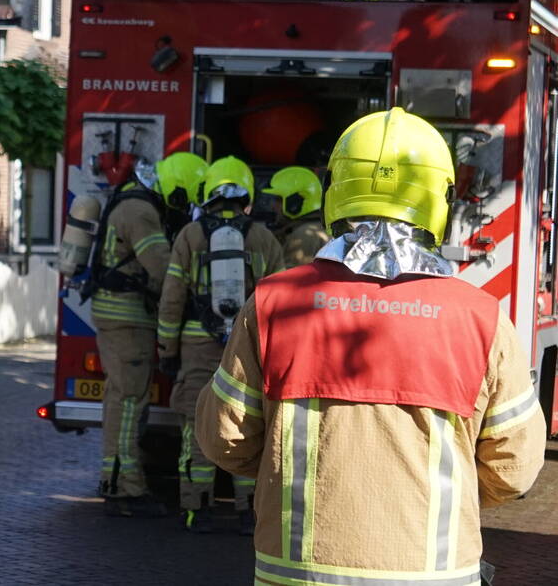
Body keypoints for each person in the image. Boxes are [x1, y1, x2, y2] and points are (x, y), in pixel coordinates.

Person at [196, 108, 545, 584]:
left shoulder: (273, 304)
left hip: (296, 573)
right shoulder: (479, 317)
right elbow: (514, 467)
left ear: (335, 191)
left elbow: (225, 438)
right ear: (438, 198)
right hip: (433, 574)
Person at [157, 155, 283, 534]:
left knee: (195, 427)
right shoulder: (263, 238)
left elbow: (172, 297)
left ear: (208, 193)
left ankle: (197, 508)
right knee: (246, 423)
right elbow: (279, 299)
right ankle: (247, 512)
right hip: (248, 346)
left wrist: (167, 349)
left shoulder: (190, 235)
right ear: (248, 195)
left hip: (196, 342)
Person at [91, 152, 203, 518]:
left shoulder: (130, 200)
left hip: (118, 316)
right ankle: (124, 486)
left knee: (121, 398)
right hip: (127, 320)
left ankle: (118, 478)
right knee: (127, 402)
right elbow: (163, 268)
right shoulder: (140, 212)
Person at [261, 166, 329, 268]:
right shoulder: (313, 228)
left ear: (295, 202)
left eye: (279, 200)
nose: (273, 206)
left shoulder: (303, 235)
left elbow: (290, 280)